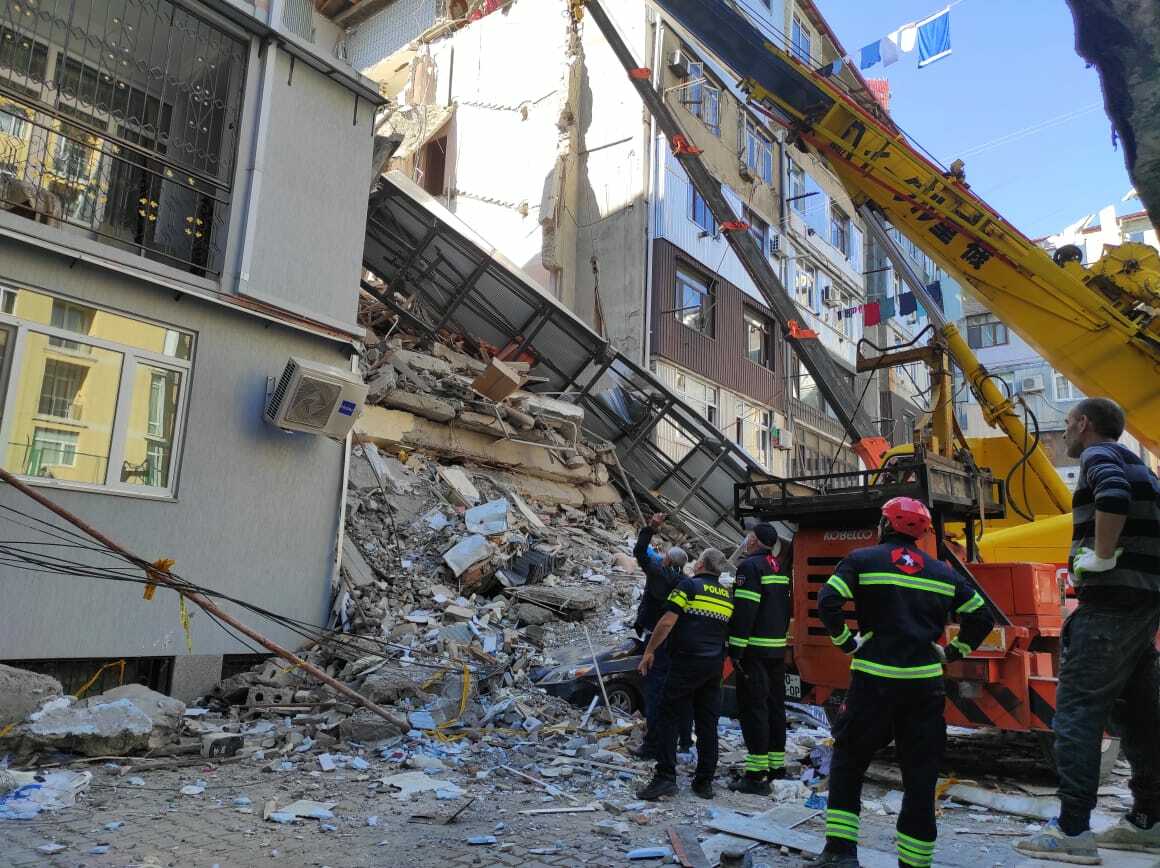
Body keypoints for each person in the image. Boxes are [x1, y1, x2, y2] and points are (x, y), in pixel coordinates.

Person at [1015, 397, 1160, 864]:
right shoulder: (1143, 468)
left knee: (1077, 712)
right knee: (1141, 714)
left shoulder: (1102, 456)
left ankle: (1073, 829)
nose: (1063, 435)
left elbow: (1111, 497)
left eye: (1066, 426)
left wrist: (1100, 555)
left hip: (1110, 603)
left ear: (1084, 423)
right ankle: (1148, 821)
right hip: (1142, 602)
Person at [813, 497, 994, 868]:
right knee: (921, 776)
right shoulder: (943, 573)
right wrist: (952, 651)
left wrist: (847, 643)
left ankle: (840, 854)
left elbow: (828, 600)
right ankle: (914, 863)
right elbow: (983, 617)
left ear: (885, 525)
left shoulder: (861, 560)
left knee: (849, 761)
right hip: (923, 687)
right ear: (922, 533)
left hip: (873, 681)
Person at [635, 547, 733, 801]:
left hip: (687, 661)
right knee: (707, 724)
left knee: (668, 715)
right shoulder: (726, 596)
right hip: (713, 667)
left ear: (700, 565)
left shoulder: (689, 586)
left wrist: (649, 651)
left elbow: (667, 621)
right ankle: (704, 783)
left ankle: (665, 777)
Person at [727, 522, 791, 795]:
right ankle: (777, 767)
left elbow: (745, 611)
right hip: (777, 649)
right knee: (775, 707)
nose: (745, 540)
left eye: (748, 536)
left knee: (754, 710)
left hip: (754, 650)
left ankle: (755, 776)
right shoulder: (777, 566)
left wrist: (736, 650)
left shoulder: (750, 568)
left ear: (753, 540)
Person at [630, 512, 693, 760]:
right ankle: (685, 741)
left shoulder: (657, 572)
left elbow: (639, 552)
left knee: (654, 693)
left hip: (655, 639)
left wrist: (651, 527)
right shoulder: (686, 582)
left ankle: (652, 745)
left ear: (666, 560)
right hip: (678, 644)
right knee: (679, 694)